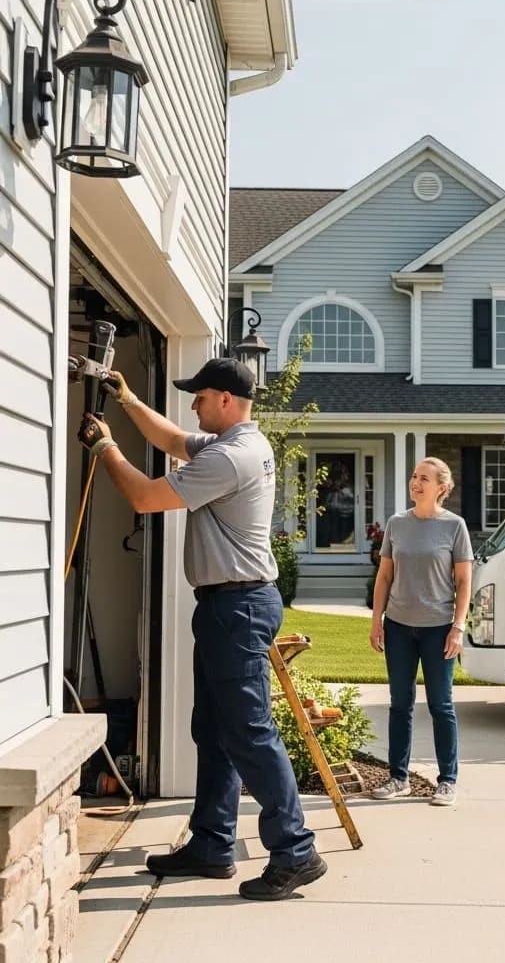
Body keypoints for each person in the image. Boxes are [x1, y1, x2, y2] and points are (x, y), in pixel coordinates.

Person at [76, 358, 326, 901]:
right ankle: (212, 844)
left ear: (228, 402)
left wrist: (103, 448)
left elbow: (145, 498)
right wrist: (126, 398)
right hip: (227, 605)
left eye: (200, 396)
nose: (193, 404)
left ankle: (296, 850)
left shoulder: (232, 456)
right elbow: (172, 439)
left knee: (249, 731)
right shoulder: (229, 444)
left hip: (238, 607)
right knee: (212, 730)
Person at [369, 457, 473, 806]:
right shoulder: (397, 524)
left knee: (441, 705)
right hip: (399, 627)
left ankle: (448, 780)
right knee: (400, 704)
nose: (416, 482)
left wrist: (458, 627)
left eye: (424, 478)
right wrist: (376, 621)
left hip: (438, 628)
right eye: (414, 476)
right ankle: (398, 778)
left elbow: (463, 582)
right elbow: (384, 576)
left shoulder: (454, 527)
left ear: (441, 487)